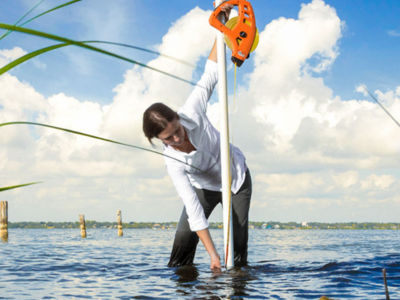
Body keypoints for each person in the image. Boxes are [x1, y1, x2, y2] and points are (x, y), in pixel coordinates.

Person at [142, 4, 251, 270]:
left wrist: (223, 23)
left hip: (236, 177)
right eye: (169, 139)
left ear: (178, 118)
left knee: (236, 239)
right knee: (183, 235)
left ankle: (237, 282)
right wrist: (212, 255)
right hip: (204, 186)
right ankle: (183, 282)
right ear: (160, 140)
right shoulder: (172, 161)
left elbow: (212, 71)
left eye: (177, 131)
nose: (177, 139)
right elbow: (194, 211)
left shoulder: (191, 111)